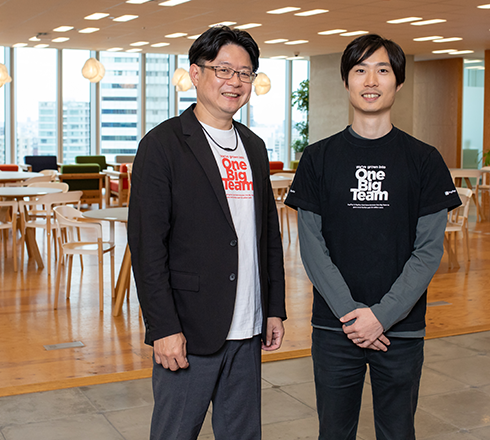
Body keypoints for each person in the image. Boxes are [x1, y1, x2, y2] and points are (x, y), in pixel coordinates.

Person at [285, 34, 461, 440]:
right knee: (334, 432)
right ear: (346, 81)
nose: (370, 80)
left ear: (398, 82)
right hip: (335, 328)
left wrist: (381, 316)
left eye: (382, 70)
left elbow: (428, 251)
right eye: (360, 70)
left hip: (401, 330)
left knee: (398, 432)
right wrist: (352, 316)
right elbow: (312, 248)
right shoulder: (318, 158)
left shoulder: (424, 160)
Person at [128, 26, 286, 440]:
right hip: (189, 329)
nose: (235, 82)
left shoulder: (254, 146)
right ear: (196, 74)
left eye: (245, 73)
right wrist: (163, 327)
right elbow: (147, 247)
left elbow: (267, 236)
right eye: (224, 70)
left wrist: (274, 308)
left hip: (248, 327)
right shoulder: (162, 145)